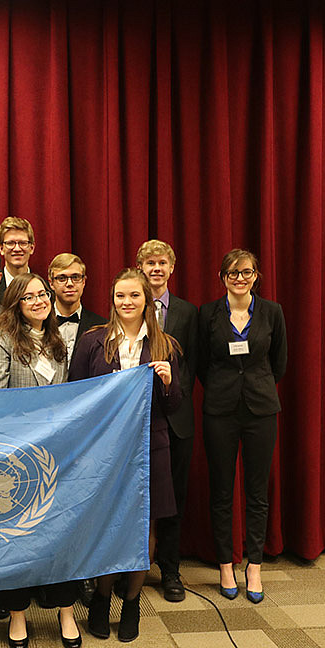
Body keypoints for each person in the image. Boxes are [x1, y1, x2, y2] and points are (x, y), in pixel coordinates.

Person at [68, 268, 182, 642]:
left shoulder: (165, 345)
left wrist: (167, 382)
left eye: (134, 296)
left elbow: (174, 404)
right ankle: (102, 599)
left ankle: (131, 603)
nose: (127, 302)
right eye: (120, 296)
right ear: (112, 300)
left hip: (152, 446)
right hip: (105, 450)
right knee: (107, 525)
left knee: (144, 528)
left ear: (146, 300)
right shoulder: (92, 342)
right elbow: (76, 396)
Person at [0, 274, 80, 648]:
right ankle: (18, 614)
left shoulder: (58, 341)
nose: (39, 300)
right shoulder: (2, 338)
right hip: (15, 458)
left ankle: (66, 612)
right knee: (15, 538)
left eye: (42, 294)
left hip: (55, 456)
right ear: (15, 304)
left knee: (60, 535)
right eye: (29, 296)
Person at [197, 249, 286, 605]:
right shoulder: (208, 314)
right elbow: (202, 364)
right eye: (233, 273)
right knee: (221, 491)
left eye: (246, 272)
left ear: (256, 276)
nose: (239, 278)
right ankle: (225, 565)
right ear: (222, 278)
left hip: (261, 409)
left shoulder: (272, 312)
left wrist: (255, 387)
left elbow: (278, 362)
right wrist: (224, 389)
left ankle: (254, 566)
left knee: (257, 493)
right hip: (220, 410)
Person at [136, 240, 198, 602]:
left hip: (176, 421)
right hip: (136, 420)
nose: (156, 268)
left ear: (171, 268)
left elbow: (193, 366)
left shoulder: (189, 313)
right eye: (149, 262)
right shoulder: (129, 307)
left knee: (173, 500)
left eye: (162, 263)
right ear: (140, 267)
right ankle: (131, 565)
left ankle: (170, 571)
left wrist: (172, 394)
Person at [47, 252, 106, 360]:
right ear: (51, 283)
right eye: (62, 278)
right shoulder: (38, 323)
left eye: (75, 277)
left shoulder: (102, 327)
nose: (70, 283)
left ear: (83, 282)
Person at [0, 216, 36, 303]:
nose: (17, 249)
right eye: (10, 243)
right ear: (1, 248)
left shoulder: (45, 289)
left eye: (23, 243)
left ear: (31, 248)